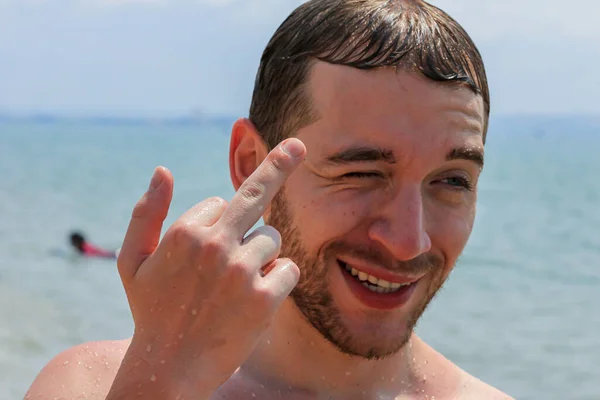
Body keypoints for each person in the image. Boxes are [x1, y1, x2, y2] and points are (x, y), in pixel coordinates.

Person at [26, 1, 513, 398]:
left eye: (452, 181)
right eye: (362, 172)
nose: (409, 242)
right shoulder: (90, 387)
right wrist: (160, 381)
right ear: (250, 164)